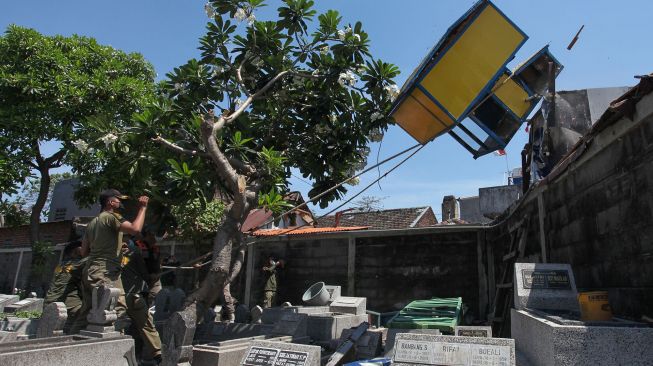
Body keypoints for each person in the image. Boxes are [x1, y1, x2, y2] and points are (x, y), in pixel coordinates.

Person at [70, 189, 148, 334]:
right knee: (116, 310)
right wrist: (143, 208)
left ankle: (68, 346)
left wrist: (114, 246)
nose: (120, 203)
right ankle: (110, 347)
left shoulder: (93, 222)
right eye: (119, 200)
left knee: (88, 313)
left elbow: (84, 252)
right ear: (111, 202)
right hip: (106, 271)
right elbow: (135, 229)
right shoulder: (112, 217)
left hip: (90, 270)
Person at [121, 235, 162, 363]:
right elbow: (145, 274)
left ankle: (123, 353)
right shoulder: (135, 253)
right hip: (134, 295)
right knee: (146, 324)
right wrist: (152, 277)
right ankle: (159, 356)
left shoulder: (112, 255)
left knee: (121, 325)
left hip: (119, 295)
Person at [44, 240, 87, 334]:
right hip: (66, 305)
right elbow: (95, 258)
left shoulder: (62, 265)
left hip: (50, 303)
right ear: (75, 252)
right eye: (82, 248)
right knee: (89, 314)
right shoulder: (75, 264)